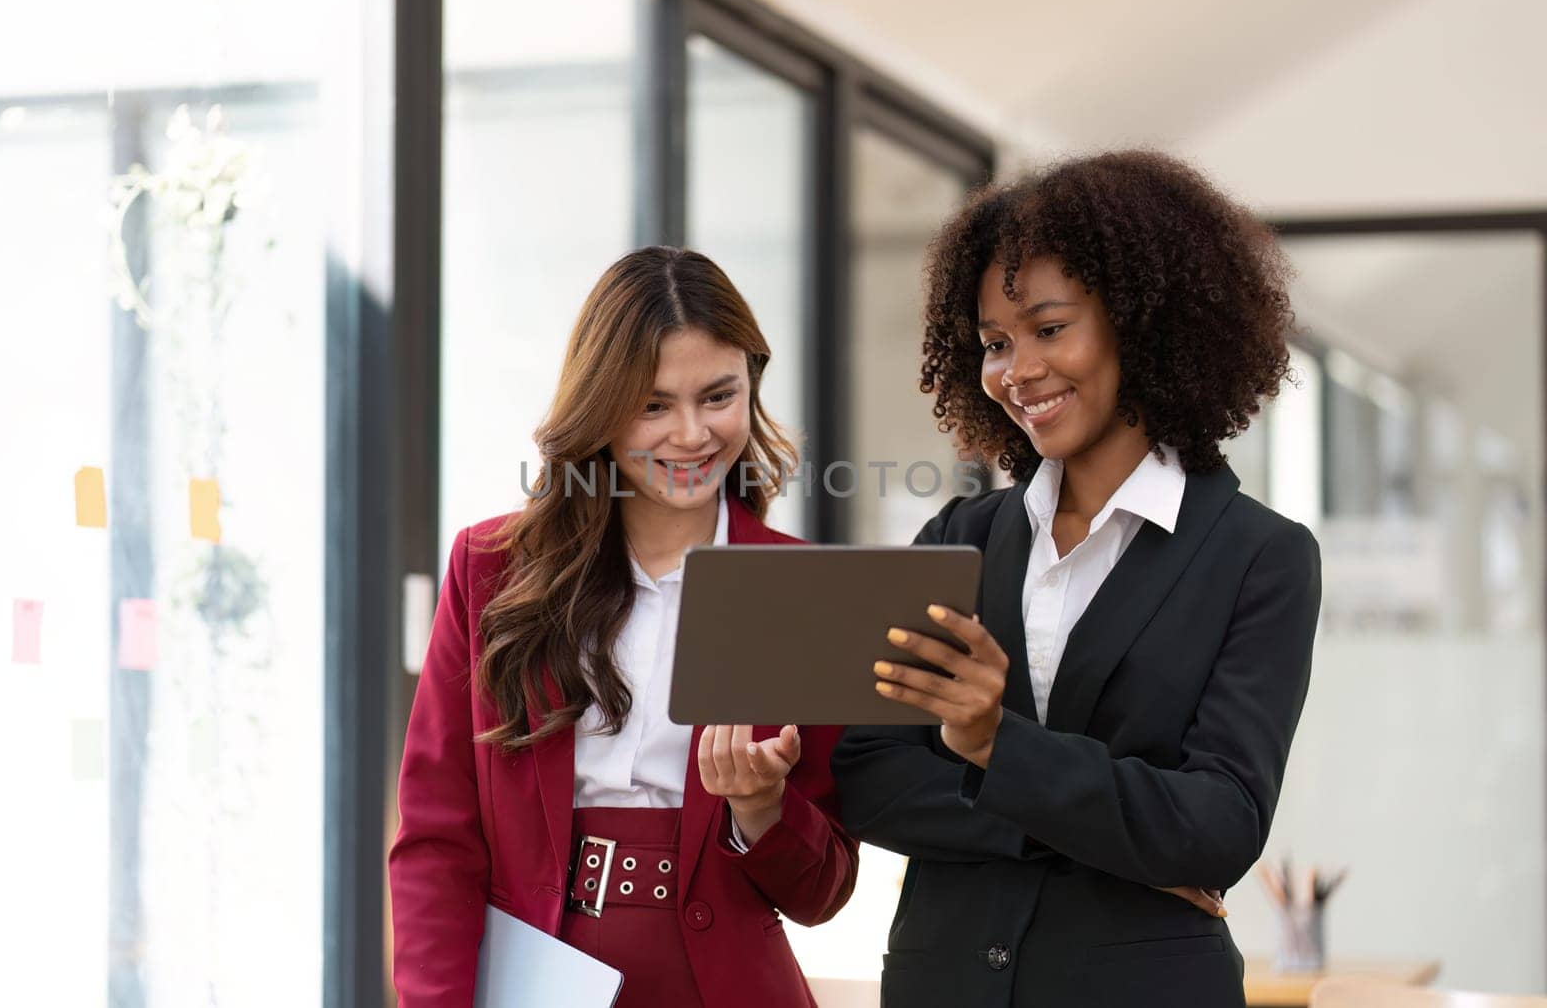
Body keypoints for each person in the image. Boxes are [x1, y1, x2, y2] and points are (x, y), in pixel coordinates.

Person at [833, 150, 1322, 1007]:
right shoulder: (958, 539)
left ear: (1141, 321)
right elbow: (869, 777)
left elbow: (1218, 825)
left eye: (1049, 328)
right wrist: (1101, 834)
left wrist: (993, 745)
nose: (1017, 371)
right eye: (994, 342)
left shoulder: (1260, 557)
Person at [390, 246, 858, 1007]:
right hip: (529, 979)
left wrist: (761, 809)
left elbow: (823, 890)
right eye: (652, 406)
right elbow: (436, 842)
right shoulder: (489, 571)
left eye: (718, 396)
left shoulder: (801, 592)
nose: (691, 434)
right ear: (599, 408)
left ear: (752, 386)